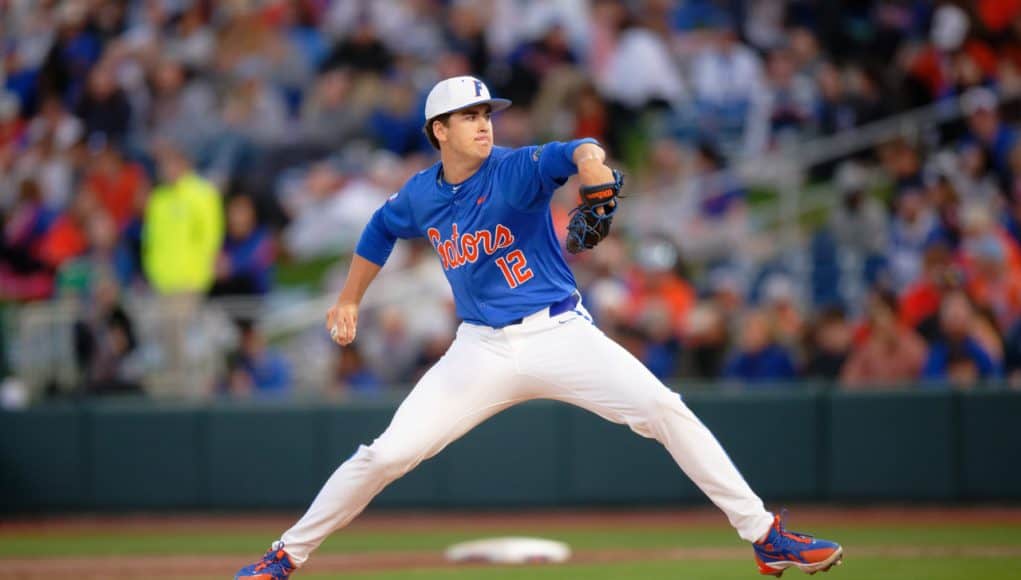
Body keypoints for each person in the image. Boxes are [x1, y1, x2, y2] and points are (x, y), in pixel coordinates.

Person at [235, 76, 843, 579]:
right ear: (438, 131)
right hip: (479, 350)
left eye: (487, 112)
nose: (483, 122)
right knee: (385, 454)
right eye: (467, 115)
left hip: (560, 333)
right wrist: (348, 298)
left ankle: (765, 537)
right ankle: (284, 557)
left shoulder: (516, 168)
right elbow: (380, 228)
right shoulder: (422, 193)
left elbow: (575, 149)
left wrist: (592, 165)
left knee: (664, 408)